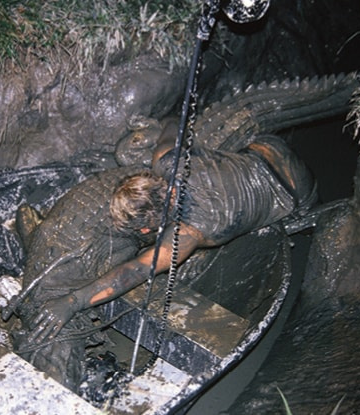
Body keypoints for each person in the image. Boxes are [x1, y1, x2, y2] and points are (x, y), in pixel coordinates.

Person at [20, 119, 317, 348]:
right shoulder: (167, 160)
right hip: (267, 148)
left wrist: (71, 302)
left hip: (292, 192)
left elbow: (133, 271)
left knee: (291, 225)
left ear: (149, 229)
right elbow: (175, 122)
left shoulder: (189, 233)